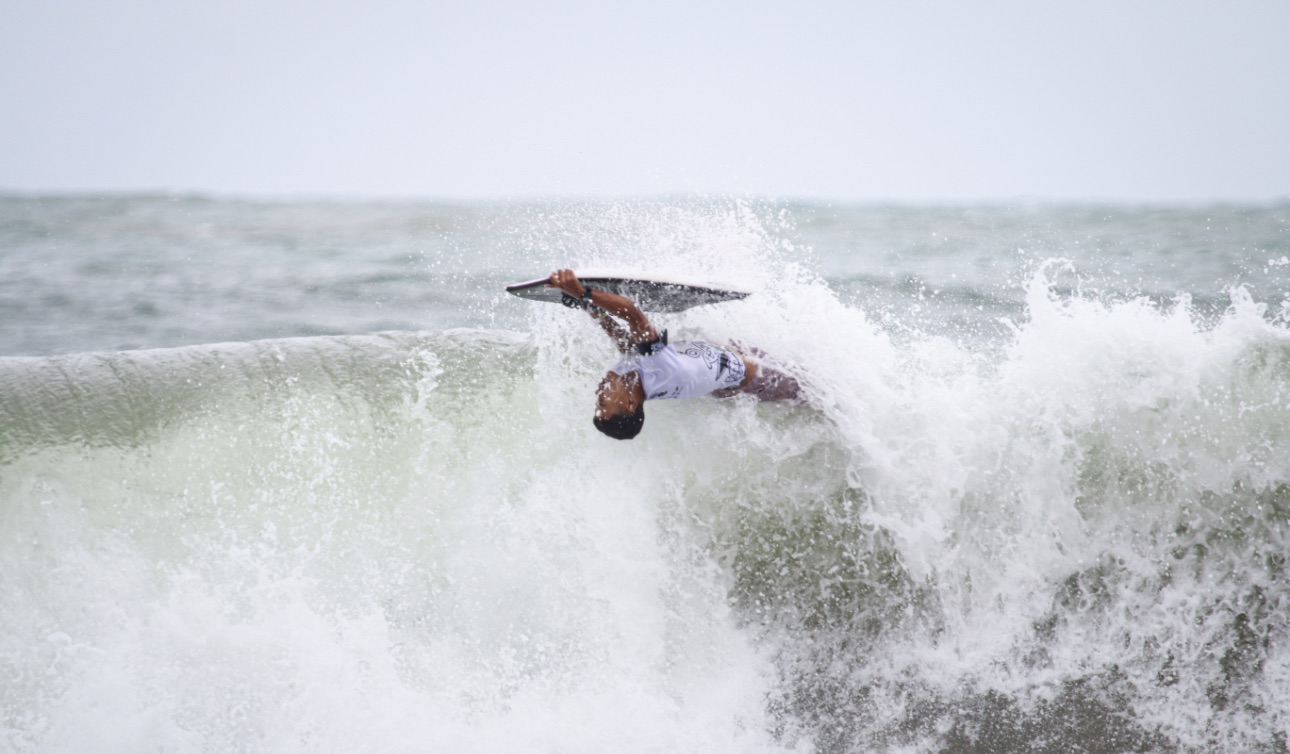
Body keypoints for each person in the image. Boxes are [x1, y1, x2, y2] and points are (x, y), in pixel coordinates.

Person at [547, 269, 801, 440]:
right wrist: (584, 293)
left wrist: (590, 309)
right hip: (759, 378)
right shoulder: (662, 371)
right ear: (629, 404)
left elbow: (627, 345)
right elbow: (633, 314)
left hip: (724, 363)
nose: (597, 394)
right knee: (812, 392)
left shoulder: (631, 379)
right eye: (603, 403)